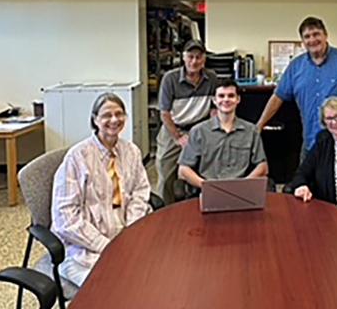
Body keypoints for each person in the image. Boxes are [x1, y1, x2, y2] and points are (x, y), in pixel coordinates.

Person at [51, 93, 151, 287]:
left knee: (149, 278)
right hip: (86, 245)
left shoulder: (132, 151)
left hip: (124, 230)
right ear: (95, 119)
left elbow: (141, 191)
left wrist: (132, 231)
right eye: (106, 115)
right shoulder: (78, 157)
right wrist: (105, 245)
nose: (114, 120)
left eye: (119, 114)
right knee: (110, 288)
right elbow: (65, 216)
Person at [257, 16, 337, 155]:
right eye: (307, 36)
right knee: (305, 177)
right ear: (303, 41)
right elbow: (277, 97)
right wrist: (259, 126)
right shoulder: (296, 67)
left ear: (325, 35)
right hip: (312, 144)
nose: (312, 40)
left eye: (316, 34)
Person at [156, 40, 218, 204]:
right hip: (173, 128)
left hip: (199, 128)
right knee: (165, 171)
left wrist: (213, 130)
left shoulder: (212, 78)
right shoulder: (170, 79)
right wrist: (177, 137)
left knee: (206, 170)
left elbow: (214, 108)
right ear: (183, 57)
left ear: (204, 59)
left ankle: (202, 204)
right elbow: (164, 113)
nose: (194, 61)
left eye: (198, 57)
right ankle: (164, 211)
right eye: (190, 57)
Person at [178, 79, 268, 189]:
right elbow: (184, 169)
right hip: (208, 189)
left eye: (231, 96)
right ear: (214, 100)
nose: (226, 100)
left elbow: (263, 166)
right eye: (221, 96)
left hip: (241, 190)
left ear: (238, 99)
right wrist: (205, 185)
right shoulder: (198, 131)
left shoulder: (251, 131)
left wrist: (244, 185)